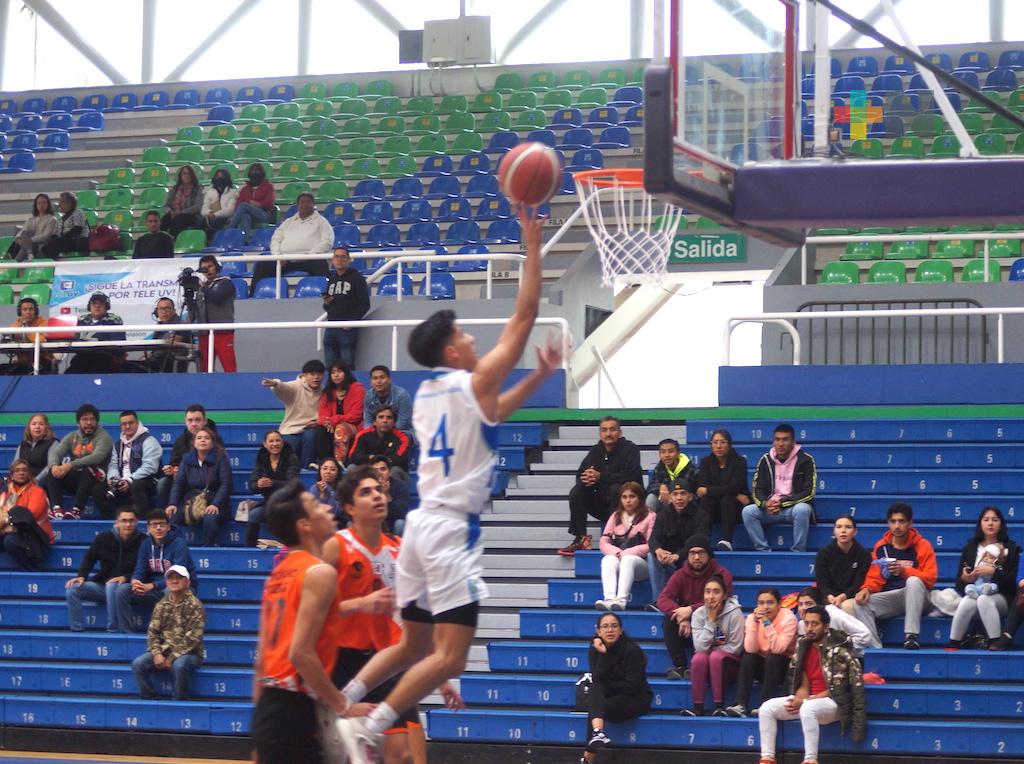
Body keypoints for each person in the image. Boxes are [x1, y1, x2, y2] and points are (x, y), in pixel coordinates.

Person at [333, 207, 560, 761]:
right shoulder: (470, 379)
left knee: (412, 643)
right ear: (452, 351)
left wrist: (538, 376)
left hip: (418, 529)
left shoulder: (433, 394)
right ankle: (370, 725)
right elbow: (525, 315)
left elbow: (494, 412)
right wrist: (532, 244)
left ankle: (345, 700)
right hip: (450, 531)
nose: (472, 337)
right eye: (463, 332)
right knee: (450, 658)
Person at [323, 466, 465, 764]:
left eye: (378, 490)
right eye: (366, 492)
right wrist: (359, 604)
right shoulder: (336, 547)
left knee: (400, 755)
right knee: (345, 754)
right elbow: (310, 612)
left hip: (381, 661)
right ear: (349, 508)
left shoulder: (399, 551)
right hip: (339, 661)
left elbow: (414, 620)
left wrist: (438, 674)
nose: (377, 496)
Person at [251, 480, 347, 763]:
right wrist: (342, 704)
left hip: (271, 709)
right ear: (304, 525)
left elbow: (261, 662)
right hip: (294, 710)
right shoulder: (319, 573)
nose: (328, 507)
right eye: (317, 504)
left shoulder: (278, 575)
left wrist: (259, 732)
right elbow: (301, 653)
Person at [757, 606, 866, 764]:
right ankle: (767, 758)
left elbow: (839, 689)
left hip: (835, 703)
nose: (809, 628)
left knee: (808, 709)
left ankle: (810, 760)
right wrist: (799, 700)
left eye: (814, 624)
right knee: (767, 708)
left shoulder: (840, 650)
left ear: (826, 627)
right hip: (810, 701)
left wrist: (806, 702)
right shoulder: (803, 647)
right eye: (807, 623)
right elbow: (803, 684)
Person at [852, 502, 937, 650]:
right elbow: (874, 577)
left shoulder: (922, 545)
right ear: (888, 523)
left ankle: (911, 636)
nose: (897, 526)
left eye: (901, 521)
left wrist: (905, 572)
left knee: (913, 581)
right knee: (859, 603)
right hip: (894, 597)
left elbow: (930, 579)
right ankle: (875, 647)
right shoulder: (881, 547)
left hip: (920, 598)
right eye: (893, 522)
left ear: (910, 523)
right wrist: (866, 589)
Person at [560, 417, 643, 556]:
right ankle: (581, 538)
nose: (608, 434)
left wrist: (601, 477)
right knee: (577, 491)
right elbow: (580, 474)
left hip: (628, 504)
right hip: (602, 504)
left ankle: (615, 539)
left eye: (612, 429)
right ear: (600, 433)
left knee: (617, 489)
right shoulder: (595, 451)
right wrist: (588, 479)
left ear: (620, 432)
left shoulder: (631, 449)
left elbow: (630, 475)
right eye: (604, 430)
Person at [656, 534, 734, 679]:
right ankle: (680, 667)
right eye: (692, 553)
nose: (697, 557)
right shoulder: (681, 574)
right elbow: (663, 599)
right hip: (687, 624)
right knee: (668, 620)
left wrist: (690, 610)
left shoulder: (722, 574)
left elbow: (723, 602)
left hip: (715, 620)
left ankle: (703, 667)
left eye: (701, 552)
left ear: (709, 555)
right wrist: (681, 616)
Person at [579, 612, 652, 762]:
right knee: (595, 691)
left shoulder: (632, 650)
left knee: (596, 706)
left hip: (636, 699)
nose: (610, 630)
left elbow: (632, 686)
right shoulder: (595, 648)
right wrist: (604, 654)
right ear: (598, 631)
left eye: (614, 626)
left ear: (621, 630)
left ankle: (588, 756)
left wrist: (608, 685)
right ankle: (598, 733)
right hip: (611, 696)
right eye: (605, 627)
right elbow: (598, 679)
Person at [949, 506, 1020, 649]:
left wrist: (994, 573)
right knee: (967, 602)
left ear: (1001, 524)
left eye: (995, 520)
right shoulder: (970, 548)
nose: (990, 523)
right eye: (986, 520)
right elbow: (959, 583)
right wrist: (965, 579)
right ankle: (954, 642)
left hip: (1002, 597)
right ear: (980, 523)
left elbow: (1014, 581)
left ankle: (995, 641)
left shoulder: (1011, 548)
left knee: (984, 599)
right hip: (975, 591)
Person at [131, 565, 204, 700]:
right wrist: (157, 654)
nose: (174, 581)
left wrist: (172, 657)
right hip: (163, 651)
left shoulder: (195, 605)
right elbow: (153, 632)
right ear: (166, 582)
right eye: (171, 578)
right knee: (138, 664)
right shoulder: (161, 605)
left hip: (190, 653)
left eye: (179, 578)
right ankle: (149, 698)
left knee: (180, 665)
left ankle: (180, 702)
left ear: (188, 582)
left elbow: (193, 638)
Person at [113, 509, 194, 632]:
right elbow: (140, 569)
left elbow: (178, 577)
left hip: (181, 588)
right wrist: (136, 581)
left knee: (172, 589)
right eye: (154, 525)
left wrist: (152, 585)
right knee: (122, 590)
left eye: (162, 524)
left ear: (168, 527)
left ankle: (170, 635)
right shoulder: (145, 544)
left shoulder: (179, 544)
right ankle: (126, 634)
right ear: (148, 528)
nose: (158, 528)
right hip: (155, 589)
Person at [742, 423, 817, 552]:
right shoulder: (765, 460)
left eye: (785, 439)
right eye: (777, 439)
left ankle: (798, 551)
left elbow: (809, 492)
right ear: (773, 442)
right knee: (748, 512)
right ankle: (763, 550)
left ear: (793, 442)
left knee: (803, 509)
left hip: (792, 509)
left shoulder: (806, 460)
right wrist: (766, 503)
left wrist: (782, 503)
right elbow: (757, 490)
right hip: (770, 510)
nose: (781, 444)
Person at [65, 509, 143, 632]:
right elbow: (89, 558)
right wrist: (82, 576)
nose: (128, 524)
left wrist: (126, 578)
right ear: (117, 523)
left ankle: (113, 629)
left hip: (129, 587)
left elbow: (145, 569)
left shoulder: (144, 541)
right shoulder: (103, 538)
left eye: (131, 521)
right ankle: (76, 630)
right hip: (103, 586)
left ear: (137, 522)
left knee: (112, 585)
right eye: (124, 521)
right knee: (73, 589)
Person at [725, 586, 797, 717]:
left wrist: (766, 622)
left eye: (770, 602)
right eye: (761, 603)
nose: (766, 607)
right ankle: (740, 705)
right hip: (764, 666)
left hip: (783, 666)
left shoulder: (789, 619)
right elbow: (750, 649)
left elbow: (778, 649)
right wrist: (754, 622)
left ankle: (765, 705)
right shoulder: (752, 618)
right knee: (748, 657)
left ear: (779, 604)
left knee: (773, 658)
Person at [680, 575, 743, 717]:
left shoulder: (734, 613)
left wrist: (713, 651)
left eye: (716, 592)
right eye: (707, 591)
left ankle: (719, 706)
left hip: (729, 667)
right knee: (699, 658)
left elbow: (736, 647)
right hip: (708, 667)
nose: (711, 596)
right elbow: (699, 648)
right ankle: (698, 707)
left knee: (714, 656)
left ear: (724, 595)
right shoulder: (698, 614)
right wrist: (711, 621)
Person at [249, 192, 332, 295]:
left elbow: (327, 241)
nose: (305, 204)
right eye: (302, 202)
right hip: (285, 260)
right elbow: (275, 239)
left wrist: (310, 255)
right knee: (262, 265)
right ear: (298, 205)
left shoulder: (322, 222)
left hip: (309, 259)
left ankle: (325, 296)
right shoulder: (288, 222)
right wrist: (278, 257)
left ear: (313, 204)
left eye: (308, 202)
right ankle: (252, 295)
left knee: (321, 264)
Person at [165, 426, 233, 546]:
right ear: (194, 442)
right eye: (199, 438)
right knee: (173, 517)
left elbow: (226, 484)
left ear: (212, 443)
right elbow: (178, 483)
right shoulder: (187, 459)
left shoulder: (220, 458)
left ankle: (208, 549)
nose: (202, 440)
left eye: (207, 438)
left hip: (216, 503)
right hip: (192, 502)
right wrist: (172, 503)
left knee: (210, 518)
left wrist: (215, 504)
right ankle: (174, 548)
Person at [46, 403, 113, 520]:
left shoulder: (104, 437)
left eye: (92, 419)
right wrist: (54, 466)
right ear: (78, 422)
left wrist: (71, 465)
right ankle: (57, 508)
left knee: (89, 468)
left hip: (97, 480)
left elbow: (97, 457)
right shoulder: (72, 436)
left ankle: (76, 510)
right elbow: (56, 453)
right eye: (84, 419)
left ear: (97, 422)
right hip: (78, 480)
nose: (88, 423)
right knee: (53, 471)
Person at [647, 481, 711, 601]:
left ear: (690, 497)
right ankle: (659, 601)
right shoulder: (662, 515)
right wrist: (659, 550)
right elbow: (653, 539)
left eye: (683, 494)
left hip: (689, 559)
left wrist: (678, 555)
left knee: (693, 558)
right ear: (670, 497)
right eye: (675, 494)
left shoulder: (701, 515)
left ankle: (686, 600)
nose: (679, 498)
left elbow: (701, 541)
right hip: (668, 561)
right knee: (652, 556)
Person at [93, 410, 162, 519]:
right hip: (123, 481)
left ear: (137, 423)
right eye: (124, 424)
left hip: (146, 481)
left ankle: (141, 521)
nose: (128, 426)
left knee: (137, 486)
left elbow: (150, 467)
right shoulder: (118, 444)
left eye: (131, 423)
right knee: (98, 489)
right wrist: (113, 479)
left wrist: (129, 480)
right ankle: (111, 521)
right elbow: (113, 465)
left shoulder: (149, 441)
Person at [595, 482, 653, 611]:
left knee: (628, 559)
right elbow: (604, 541)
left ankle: (621, 600)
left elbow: (651, 545)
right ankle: (609, 599)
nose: (628, 501)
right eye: (624, 497)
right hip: (619, 557)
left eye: (632, 496)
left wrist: (627, 553)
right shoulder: (616, 516)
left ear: (640, 498)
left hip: (641, 565)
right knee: (607, 559)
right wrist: (617, 553)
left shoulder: (650, 516)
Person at [263, 360, 325, 470]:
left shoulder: (324, 391)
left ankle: (306, 470)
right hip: (290, 429)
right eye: (312, 374)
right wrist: (275, 384)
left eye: (319, 374)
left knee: (312, 435)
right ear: (304, 375)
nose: (316, 377)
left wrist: (318, 422)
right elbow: (283, 387)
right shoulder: (296, 386)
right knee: (287, 446)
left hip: (311, 429)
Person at [695, 429, 750, 551]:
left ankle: (727, 540)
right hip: (713, 507)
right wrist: (731, 492)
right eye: (715, 442)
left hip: (734, 508)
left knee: (726, 499)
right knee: (706, 501)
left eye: (723, 442)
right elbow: (703, 486)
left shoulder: (739, 461)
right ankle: (703, 540)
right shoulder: (705, 462)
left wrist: (709, 490)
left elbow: (735, 486)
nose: (718, 446)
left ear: (729, 444)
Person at [155, 404, 220, 508]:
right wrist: (174, 470)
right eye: (190, 420)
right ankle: (165, 517)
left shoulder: (215, 440)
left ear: (205, 421)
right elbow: (175, 463)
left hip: (208, 483)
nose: (193, 424)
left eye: (197, 420)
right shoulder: (180, 441)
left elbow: (218, 468)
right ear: (185, 421)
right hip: (184, 481)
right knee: (163, 483)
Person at [244, 430, 300, 547]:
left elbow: (292, 484)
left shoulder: (291, 458)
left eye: (277, 440)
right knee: (254, 514)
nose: (274, 444)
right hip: (269, 503)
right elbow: (252, 486)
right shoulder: (262, 459)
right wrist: (258, 484)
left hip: (288, 502)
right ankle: (249, 549)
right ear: (265, 444)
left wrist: (272, 483)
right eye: (271, 441)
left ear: (282, 442)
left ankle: (290, 548)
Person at [0, 459, 53, 570]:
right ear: (12, 475)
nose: (21, 473)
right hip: (10, 531)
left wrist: (6, 521)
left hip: (34, 536)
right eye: (17, 470)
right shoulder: (5, 493)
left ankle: (32, 571)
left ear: (29, 474)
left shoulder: (37, 491)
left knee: (10, 541)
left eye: (24, 470)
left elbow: (29, 516)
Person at [796, 586, 878, 656]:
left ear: (820, 605)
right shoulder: (801, 625)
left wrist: (839, 651)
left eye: (809, 604)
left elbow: (864, 634)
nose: (803, 608)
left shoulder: (835, 616)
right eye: (800, 604)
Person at [323, 247, 370, 368]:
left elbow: (365, 304)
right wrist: (327, 303)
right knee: (330, 365)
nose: (339, 260)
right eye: (337, 257)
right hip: (331, 325)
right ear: (333, 260)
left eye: (343, 257)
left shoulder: (357, 279)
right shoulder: (331, 279)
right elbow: (327, 307)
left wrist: (352, 322)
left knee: (347, 364)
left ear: (349, 260)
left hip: (347, 328)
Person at [816, 515, 872, 612]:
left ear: (855, 532)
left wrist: (843, 597)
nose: (843, 531)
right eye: (839, 527)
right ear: (834, 531)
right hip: (829, 597)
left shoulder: (864, 554)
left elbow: (859, 583)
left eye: (848, 527)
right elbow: (822, 583)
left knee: (847, 607)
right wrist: (830, 597)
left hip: (852, 596)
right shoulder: (823, 553)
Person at [316, 360, 365, 464]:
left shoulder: (357, 388)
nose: (336, 375)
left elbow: (356, 415)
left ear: (346, 373)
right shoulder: (328, 391)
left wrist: (334, 420)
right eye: (333, 373)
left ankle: (339, 463)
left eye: (339, 371)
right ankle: (325, 463)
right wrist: (328, 422)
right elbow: (322, 415)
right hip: (333, 425)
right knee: (320, 430)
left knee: (340, 428)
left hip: (355, 426)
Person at [194, 254, 237, 373]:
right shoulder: (201, 287)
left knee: (229, 367)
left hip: (222, 331)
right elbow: (195, 309)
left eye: (210, 266)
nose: (207, 270)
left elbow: (217, 297)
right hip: (204, 333)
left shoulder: (226, 283)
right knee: (205, 369)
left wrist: (203, 288)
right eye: (204, 268)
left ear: (217, 267)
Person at [348, 405, 413, 482]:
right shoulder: (363, 435)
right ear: (374, 422)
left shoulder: (402, 437)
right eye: (381, 417)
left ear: (394, 423)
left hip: (393, 472)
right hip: (369, 470)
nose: (385, 420)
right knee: (351, 468)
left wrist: (379, 462)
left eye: (389, 417)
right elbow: (353, 456)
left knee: (395, 470)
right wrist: (370, 458)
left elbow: (400, 459)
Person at [67, 292, 126, 374]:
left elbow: (118, 343)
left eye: (100, 303)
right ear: (89, 306)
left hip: (104, 357)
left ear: (106, 306)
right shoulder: (82, 319)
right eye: (94, 303)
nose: (97, 306)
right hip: (82, 357)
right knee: (71, 373)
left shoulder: (113, 319)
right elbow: (75, 339)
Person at [644, 438, 696, 511]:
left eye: (671, 451)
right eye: (663, 452)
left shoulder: (690, 468)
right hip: (666, 502)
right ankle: (649, 522)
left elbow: (694, 492)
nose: (667, 455)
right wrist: (660, 486)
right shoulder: (659, 467)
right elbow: (650, 487)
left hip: (684, 503)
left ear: (678, 453)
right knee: (651, 498)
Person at [7, 296, 55, 374]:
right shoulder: (16, 324)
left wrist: (26, 328)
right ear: (20, 312)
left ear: (36, 311)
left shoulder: (43, 323)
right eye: (25, 309)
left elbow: (40, 340)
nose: (28, 312)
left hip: (43, 361)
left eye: (31, 309)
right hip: (23, 363)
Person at [228, 162, 275, 242]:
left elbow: (269, 203)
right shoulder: (245, 189)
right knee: (245, 216)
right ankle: (245, 241)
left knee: (244, 206)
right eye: (253, 171)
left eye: (257, 171)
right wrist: (250, 202)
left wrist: (258, 204)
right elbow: (238, 204)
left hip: (264, 214)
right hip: (249, 213)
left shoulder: (268, 186)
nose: (255, 173)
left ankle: (230, 229)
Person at [363, 365, 413, 433]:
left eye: (382, 377)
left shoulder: (402, 395)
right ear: (371, 382)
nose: (378, 381)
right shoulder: (369, 395)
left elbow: (403, 422)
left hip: (401, 431)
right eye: (375, 378)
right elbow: (367, 421)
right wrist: (372, 434)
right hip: (377, 433)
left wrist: (385, 434)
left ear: (389, 380)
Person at [8, 193, 57, 262]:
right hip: (28, 244)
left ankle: (16, 263)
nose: (41, 205)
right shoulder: (31, 219)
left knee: (26, 245)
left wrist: (29, 240)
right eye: (39, 203)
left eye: (44, 203)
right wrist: (19, 239)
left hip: (41, 245)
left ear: (48, 204)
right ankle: (29, 254)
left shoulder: (52, 219)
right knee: (25, 233)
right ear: (36, 205)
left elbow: (45, 236)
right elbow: (23, 232)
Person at [147, 297, 192, 373]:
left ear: (174, 311)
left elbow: (168, 346)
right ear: (156, 312)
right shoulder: (160, 325)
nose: (164, 312)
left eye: (167, 308)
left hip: (169, 363)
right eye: (161, 309)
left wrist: (149, 357)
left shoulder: (180, 324)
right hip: (158, 361)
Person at [41, 191, 90, 259]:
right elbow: (55, 233)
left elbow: (77, 229)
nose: (59, 204)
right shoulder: (61, 219)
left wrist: (62, 239)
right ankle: (52, 263)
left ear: (69, 203)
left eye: (61, 202)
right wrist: (53, 239)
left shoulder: (78, 212)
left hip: (77, 241)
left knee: (56, 245)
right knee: (45, 248)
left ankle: (53, 264)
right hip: (64, 242)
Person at [161, 165, 203, 238]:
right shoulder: (174, 189)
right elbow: (166, 205)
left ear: (192, 175)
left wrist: (182, 212)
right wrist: (170, 212)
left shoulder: (198, 189)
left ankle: (172, 240)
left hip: (191, 215)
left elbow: (198, 207)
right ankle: (161, 240)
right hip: (175, 214)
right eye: (184, 173)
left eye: (189, 173)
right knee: (164, 219)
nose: (187, 176)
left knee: (178, 219)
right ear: (180, 176)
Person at [371, 456, 410, 536]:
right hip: (373, 523)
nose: (379, 473)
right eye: (375, 470)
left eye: (383, 469)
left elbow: (401, 514)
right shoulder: (367, 487)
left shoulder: (400, 486)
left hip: (393, 525)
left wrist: (386, 495)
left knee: (400, 524)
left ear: (389, 472)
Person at [16, 411, 56, 479]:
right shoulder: (23, 444)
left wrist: (36, 480)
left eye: (41, 424)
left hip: (43, 483)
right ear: (29, 428)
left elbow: (50, 467)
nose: (37, 427)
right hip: (24, 481)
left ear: (46, 428)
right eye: (34, 424)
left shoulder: (53, 443)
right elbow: (15, 465)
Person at [202, 167, 238, 235]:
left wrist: (215, 214)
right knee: (200, 221)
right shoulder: (210, 192)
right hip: (210, 216)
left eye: (222, 176)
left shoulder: (232, 193)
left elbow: (230, 210)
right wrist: (209, 213)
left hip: (225, 217)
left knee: (216, 221)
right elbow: (204, 208)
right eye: (217, 176)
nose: (219, 178)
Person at [313, 457, 344, 527]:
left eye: (332, 469)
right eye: (324, 468)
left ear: (338, 473)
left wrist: (326, 494)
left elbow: (335, 513)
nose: (328, 472)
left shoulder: (342, 488)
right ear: (320, 471)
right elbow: (315, 513)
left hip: (339, 523)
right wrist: (321, 494)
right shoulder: (314, 488)